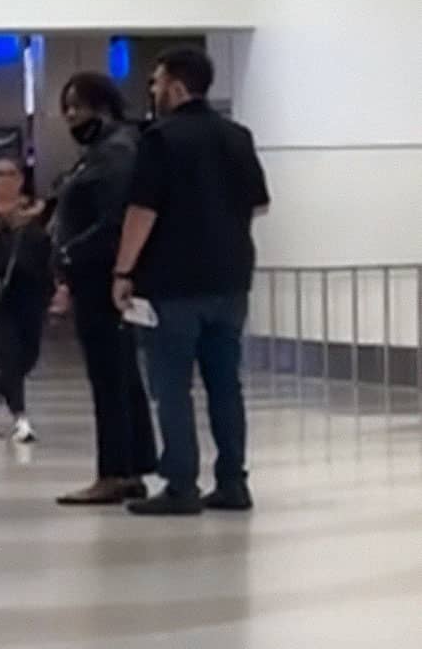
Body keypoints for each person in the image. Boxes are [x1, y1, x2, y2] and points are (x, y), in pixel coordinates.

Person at [112, 47, 270, 515]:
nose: (153, 89)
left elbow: (143, 210)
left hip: (173, 283)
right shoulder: (238, 136)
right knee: (225, 384)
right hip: (231, 279)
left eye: (157, 82)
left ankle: (181, 484)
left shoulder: (160, 139)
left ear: (177, 87)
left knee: (172, 385)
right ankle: (233, 482)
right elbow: (260, 202)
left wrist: (123, 271)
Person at [54, 72, 156, 505]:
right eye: (67, 109)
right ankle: (131, 464)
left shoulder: (115, 152)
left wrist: (70, 252)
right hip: (94, 274)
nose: (71, 117)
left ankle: (115, 469)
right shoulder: (101, 151)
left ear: (102, 105)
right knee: (120, 372)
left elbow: (113, 218)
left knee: (110, 375)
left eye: (77, 107)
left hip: (101, 276)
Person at [0, 156, 52, 444]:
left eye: (10, 174)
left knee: (29, 353)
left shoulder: (38, 211)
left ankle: (3, 390)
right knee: (9, 350)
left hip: (30, 291)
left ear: (20, 178)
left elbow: (49, 247)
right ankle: (20, 416)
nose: (4, 180)